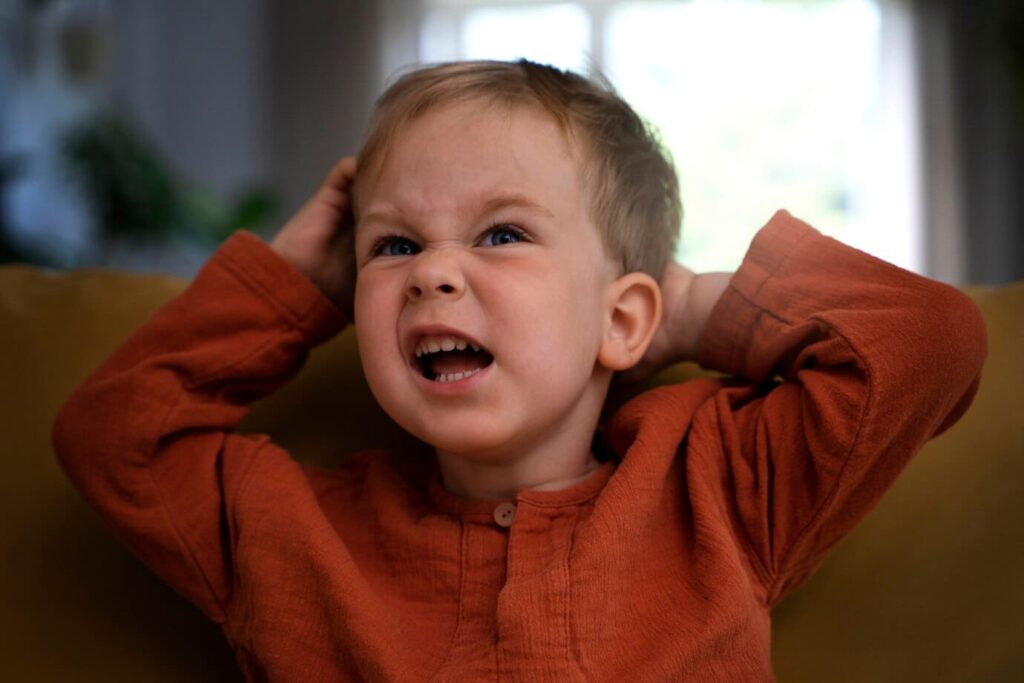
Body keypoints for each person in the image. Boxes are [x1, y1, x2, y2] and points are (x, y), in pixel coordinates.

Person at [52, 60, 987, 681]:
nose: (433, 270)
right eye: (394, 245)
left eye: (502, 233)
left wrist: (695, 307)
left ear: (623, 317)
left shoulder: (718, 484)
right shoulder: (287, 528)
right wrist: (294, 285)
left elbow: (930, 340)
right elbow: (111, 435)